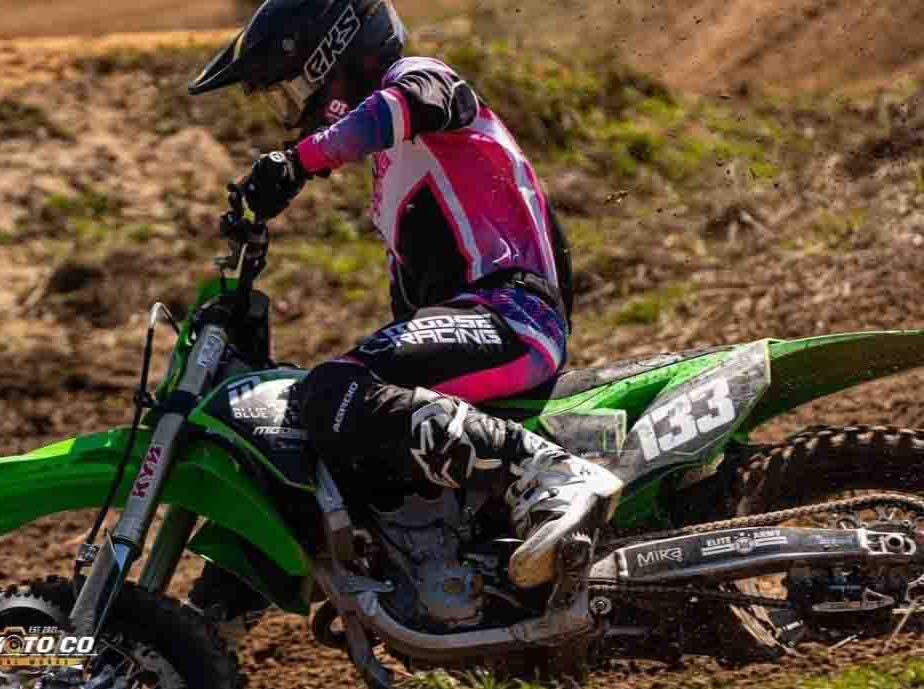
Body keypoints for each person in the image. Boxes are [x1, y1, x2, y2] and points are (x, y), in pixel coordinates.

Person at [188, 0, 621, 593]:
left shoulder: (421, 80)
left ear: (330, 56)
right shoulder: (396, 172)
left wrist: (298, 162)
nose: (292, 116)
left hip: (510, 313)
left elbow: (407, 104)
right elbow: (411, 324)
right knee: (317, 422)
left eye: (290, 94)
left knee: (334, 389)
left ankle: (555, 478)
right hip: (483, 322)